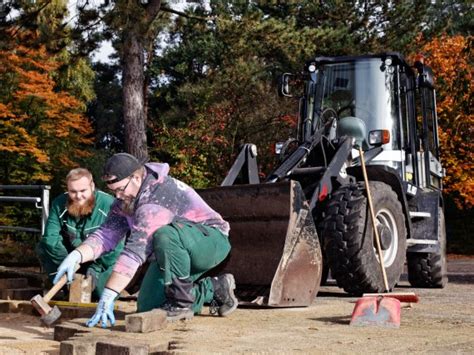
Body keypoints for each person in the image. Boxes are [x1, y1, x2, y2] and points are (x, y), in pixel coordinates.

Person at [53, 153, 237, 328]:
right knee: (149, 307)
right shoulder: (126, 200)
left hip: (210, 242)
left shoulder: (155, 198)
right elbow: (106, 234)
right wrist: (77, 255)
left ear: (136, 178)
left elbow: (135, 252)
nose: (117, 196)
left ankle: (181, 303)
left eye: (120, 189)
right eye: (112, 191)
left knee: (165, 235)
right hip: (174, 252)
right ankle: (214, 288)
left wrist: (109, 293)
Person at [36, 168, 124, 299]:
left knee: (100, 295)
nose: (78, 196)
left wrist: (96, 267)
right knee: (42, 247)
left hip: (101, 260)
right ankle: (67, 287)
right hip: (71, 257)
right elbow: (50, 238)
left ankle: (99, 287)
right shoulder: (58, 204)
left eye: (83, 191)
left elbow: (117, 246)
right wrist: (66, 263)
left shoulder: (110, 205)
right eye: (73, 192)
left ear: (92, 186)